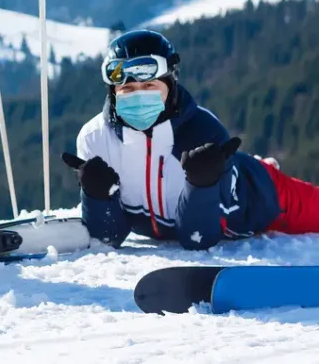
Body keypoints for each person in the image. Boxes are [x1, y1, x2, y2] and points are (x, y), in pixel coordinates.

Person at [62, 29, 319, 251]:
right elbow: (109, 237)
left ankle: (255, 166)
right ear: (113, 92)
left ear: (170, 84)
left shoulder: (203, 131)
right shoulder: (96, 138)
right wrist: (96, 196)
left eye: (150, 86)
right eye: (127, 90)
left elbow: (198, 240)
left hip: (260, 195)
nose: (137, 97)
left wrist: (203, 186)